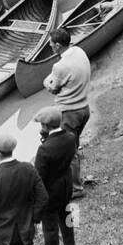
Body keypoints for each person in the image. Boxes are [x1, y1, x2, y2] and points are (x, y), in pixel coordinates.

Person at [42, 27, 92, 197]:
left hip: (70, 112)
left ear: (57, 45)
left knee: (68, 153)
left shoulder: (59, 66)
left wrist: (46, 82)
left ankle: (75, 189)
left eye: (50, 44)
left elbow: (53, 88)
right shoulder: (78, 51)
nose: (49, 46)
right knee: (73, 147)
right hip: (84, 109)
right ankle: (75, 180)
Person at [33, 106, 78, 245]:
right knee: (68, 221)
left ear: (46, 126)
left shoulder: (44, 149)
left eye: (42, 125)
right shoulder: (70, 138)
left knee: (50, 232)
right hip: (66, 189)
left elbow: (39, 178)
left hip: (50, 196)